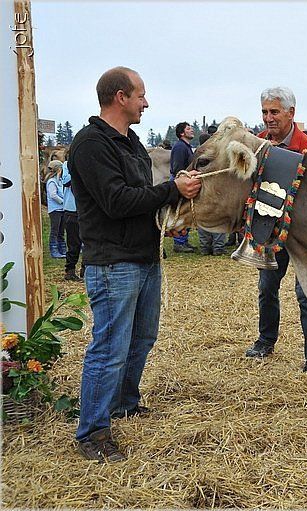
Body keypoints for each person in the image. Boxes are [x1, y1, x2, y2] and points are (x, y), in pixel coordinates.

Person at [68, 66, 201, 462]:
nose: (146, 103)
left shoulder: (131, 142)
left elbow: (142, 194)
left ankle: (123, 403)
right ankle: (93, 432)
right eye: (141, 95)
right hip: (113, 262)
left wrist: (170, 205)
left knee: (141, 338)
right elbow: (117, 201)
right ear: (120, 97)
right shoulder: (91, 144)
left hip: (143, 257)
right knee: (110, 347)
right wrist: (171, 190)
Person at [244, 86, 307, 373]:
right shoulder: (257, 147)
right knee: (267, 288)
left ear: (291, 113)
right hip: (270, 231)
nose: (268, 118)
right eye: (265, 112)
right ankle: (265, 341)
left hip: (304, 236)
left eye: (274, 112)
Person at [170, 122, 197, 253]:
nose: (192, 130)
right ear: (182, 133)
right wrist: (181, 182)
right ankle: (179, 242)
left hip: (186, 182)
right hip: (181, 183)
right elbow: (177, 168)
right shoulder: (180, 147)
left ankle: (183, 240)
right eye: (188, 128)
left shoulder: (186, 146)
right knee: (181, 212)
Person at [61, 158, 84, 281]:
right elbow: (65, 181)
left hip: (86, 210)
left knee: (89, 242)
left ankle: (85, 269)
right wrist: (76, 169)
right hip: (71, 210)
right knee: (73, 243)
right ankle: (70, 270)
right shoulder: (66, 165)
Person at [44, 159, 67, 259]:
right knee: (55, 230)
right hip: (55, 210)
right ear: (59, 169)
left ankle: (62, 249)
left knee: (61, 231)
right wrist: (63, 201)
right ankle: (54, 250)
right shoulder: (52, 182)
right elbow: (53, 195)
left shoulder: (60, 181)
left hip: (62, 210)